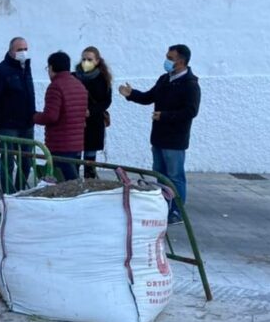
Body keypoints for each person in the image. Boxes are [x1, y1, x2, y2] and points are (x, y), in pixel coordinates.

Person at [119, 44, 200, 224]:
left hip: (175, 139)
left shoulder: (190, 85)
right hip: (158, 137)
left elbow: (191, 111)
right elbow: (149, 97)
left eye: (170, 58)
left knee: (175, 175)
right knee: (160, 174)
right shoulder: (164, 79)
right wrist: (131, 94)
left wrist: (165, 116)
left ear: (181, 61)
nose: (167, 61)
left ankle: (177, 211)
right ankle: (163, 206)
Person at [0, 37, 36, 193]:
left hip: (27, 124)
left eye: (25, 49)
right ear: (10, 51)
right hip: (8, 126)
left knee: (26, 162)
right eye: (19, 49)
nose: (23, 53)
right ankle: (8, 195)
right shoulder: (0, 71)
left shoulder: (27, 68)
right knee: (8, 163)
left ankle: (19, 192)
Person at [34, 51, 88, 181]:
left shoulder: (55, 87)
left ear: (52, 68)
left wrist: (34, 116)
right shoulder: (79, 85)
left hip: (60, 144)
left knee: (64, 186)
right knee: (73, 183)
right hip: (77, 144)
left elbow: (51, 116)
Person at [73, 46, 113, 179]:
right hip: (77, 121)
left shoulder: (103, 79)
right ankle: (73, 186)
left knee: (90, 158)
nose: (86, 62)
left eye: (89, 59)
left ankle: (89, 186)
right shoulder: (74, 76)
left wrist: (91, 111)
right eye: (83, 59)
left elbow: (106, 101)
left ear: (97, 61)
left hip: (94, 122)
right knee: (75, 157)